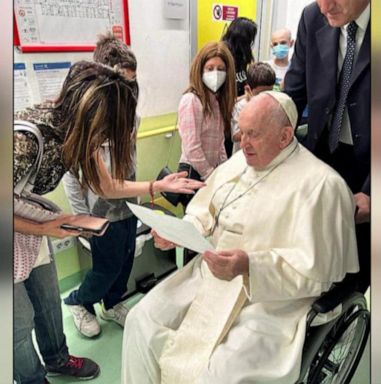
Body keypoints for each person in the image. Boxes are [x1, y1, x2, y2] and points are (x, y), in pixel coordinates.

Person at [121, 91, 359, 384]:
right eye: (241, 132)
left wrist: (251, 266)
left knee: (216, 374)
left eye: (253, 135)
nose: (242, 143)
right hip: (209, 274)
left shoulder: (322, 186)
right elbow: (204, 210)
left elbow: (317, 275)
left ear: (284, 137)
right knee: (140, 320)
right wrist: (182, 233)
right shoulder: (239, 162)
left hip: (270, 299)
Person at [14, 60, 204, 384]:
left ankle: (57, 359)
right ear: (93, 115)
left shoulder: (78, 134)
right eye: (110, 127)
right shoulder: (27, 141)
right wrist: (46, 227)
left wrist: (157, 186)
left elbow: (105, 185)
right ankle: (32, 379)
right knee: (18, 324)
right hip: (21, 226)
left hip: (29, 222)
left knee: (47, 303)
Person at [284, 0, 370, 292]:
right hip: (321, 154)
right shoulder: (312, 17)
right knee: (313, 247)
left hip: (371, 163)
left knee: (359, 256)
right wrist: (268, 131)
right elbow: (293, 92)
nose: (324, 6)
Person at [62, 34, 140, 338]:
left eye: (132, 83)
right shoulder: (86, 119)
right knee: (105, 268)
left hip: (127, 207)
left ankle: (113, 302)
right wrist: (82, 218)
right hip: (99, 212)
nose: (127, 91)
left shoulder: (132, 114)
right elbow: (71, 176)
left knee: (125, 264)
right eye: (122, 83)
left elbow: (129, 164)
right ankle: (77, 301)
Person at [176, 41, 236, 208]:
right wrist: (210, 175)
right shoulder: (191, 100)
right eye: (210, 68)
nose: (215, 73)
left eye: (221, 69)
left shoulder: (218, 101)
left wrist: (223, 171)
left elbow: (219, 143)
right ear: (200, 69)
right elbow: (192, 147)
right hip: (194, 173)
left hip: (212, 173)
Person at [221, 16, 258, 157]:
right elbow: (220, 98)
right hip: (225, 121)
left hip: (238, 115)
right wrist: (246, 97)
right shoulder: (224, 57)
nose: (251, 43)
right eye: (250, 38)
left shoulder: (241, 57)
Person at [231, 62, 275, 153]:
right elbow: (235, 136)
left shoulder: (273, 105)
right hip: (242, 156)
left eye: (269, 92)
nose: (264, 97)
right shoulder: (240, 107)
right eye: (259, 94)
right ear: (248, 90)